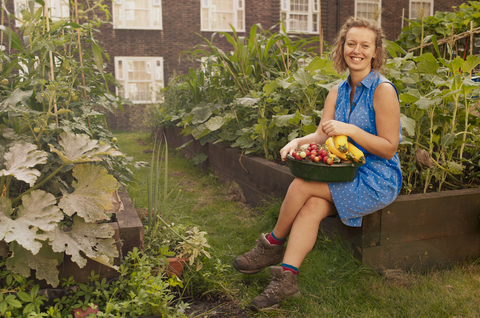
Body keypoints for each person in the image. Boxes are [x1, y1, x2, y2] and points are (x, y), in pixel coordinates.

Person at [233, 16, 403, 311]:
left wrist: (351, 131)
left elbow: (389, 148)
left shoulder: (382, 90)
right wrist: (297, 142)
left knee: (302, 184)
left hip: (376, 177)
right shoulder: (336, 91)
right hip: (344, 170)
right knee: (311, 207)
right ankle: (286, 281)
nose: (357, 50)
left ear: (376, 52)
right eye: (351, 43)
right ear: (343, 47)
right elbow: (323, 134)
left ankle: (271, 245)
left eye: (365, 45)